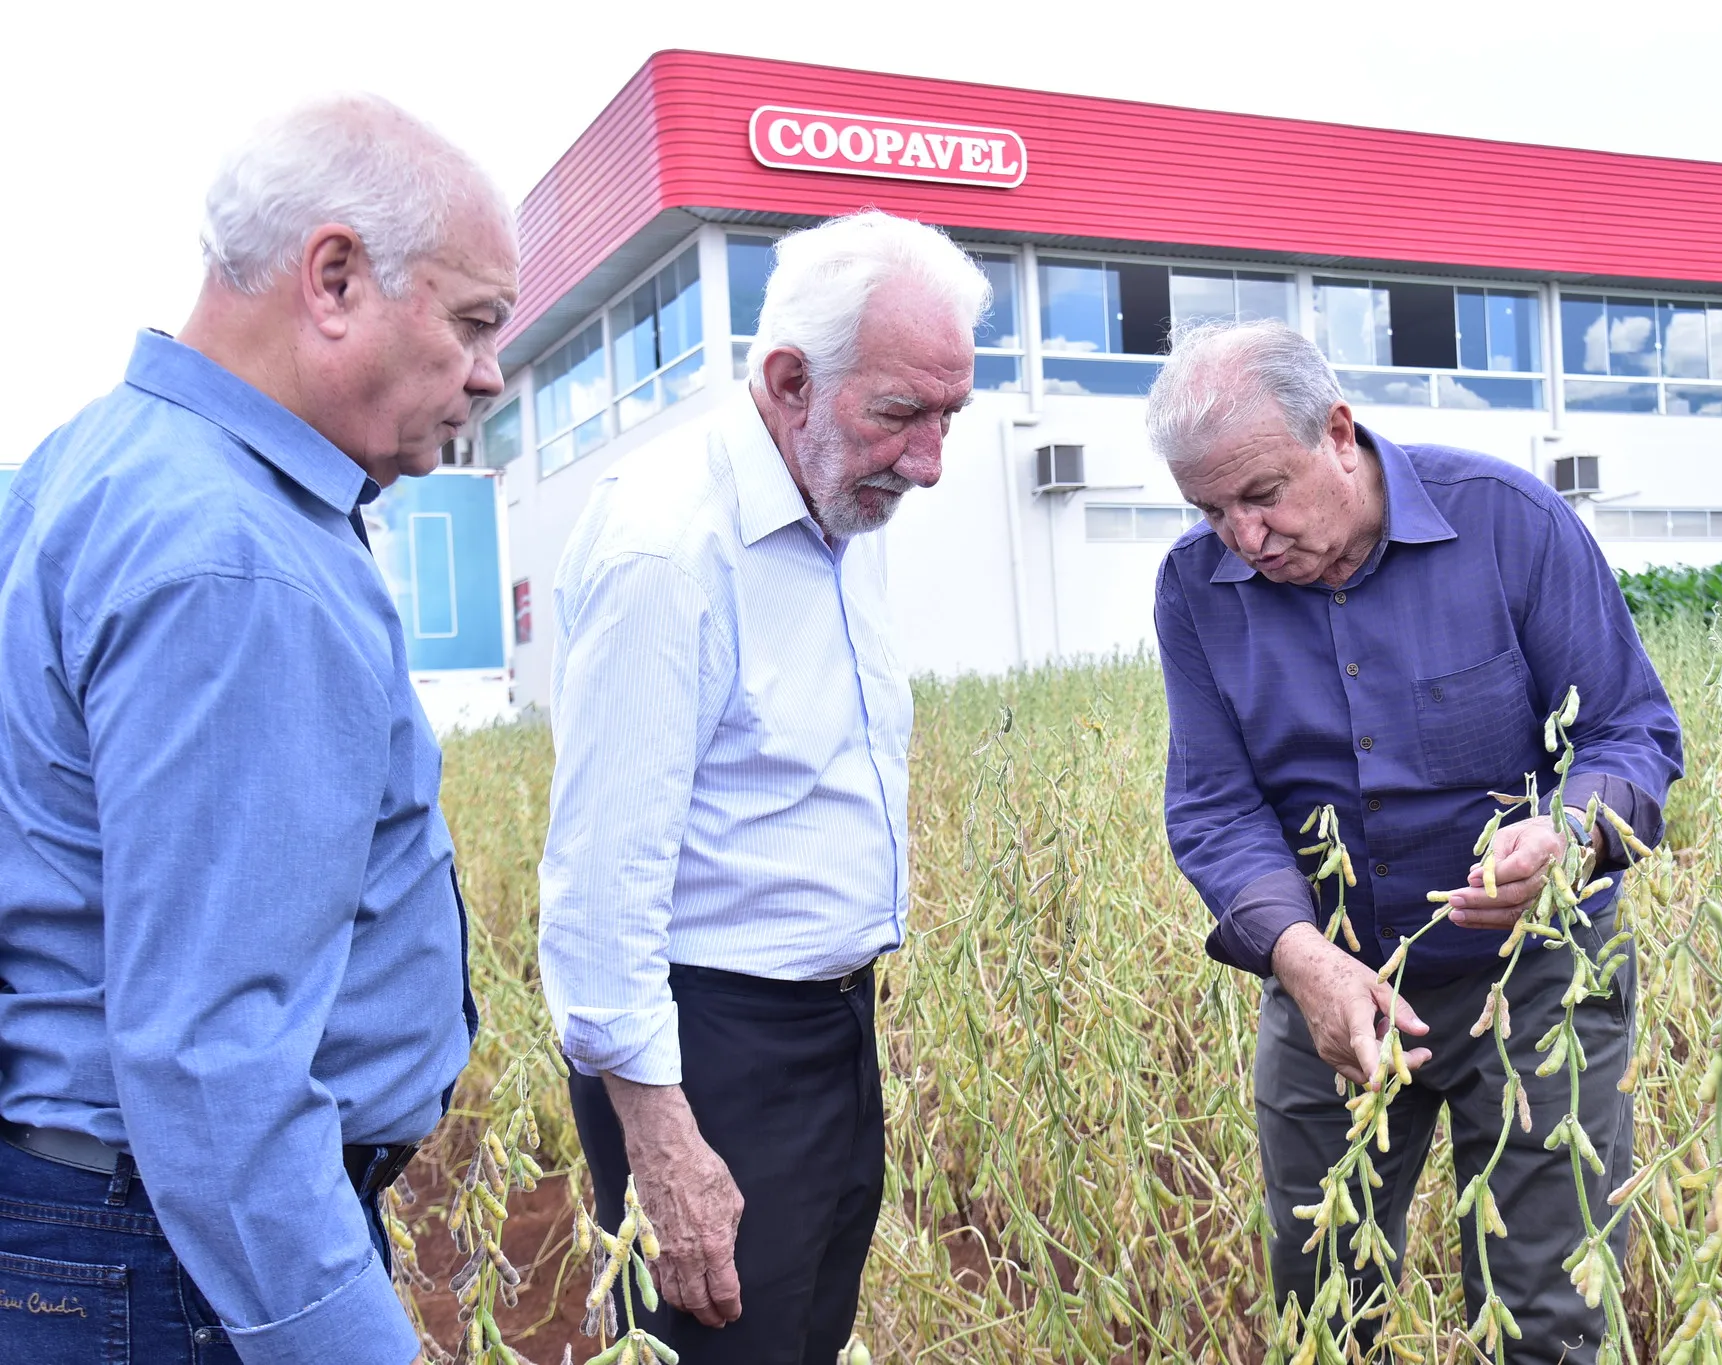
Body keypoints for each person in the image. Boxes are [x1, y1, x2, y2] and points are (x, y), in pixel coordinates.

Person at [0, 96, 514, 1364]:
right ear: (332, 277)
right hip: (179, 1262)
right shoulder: (237, 561)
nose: (491, 374)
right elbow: (214, 1062)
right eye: (472, 322)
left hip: (106, 1227)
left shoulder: (94, 466)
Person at [1147, 320, 1683, 1362]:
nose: (1242, 538)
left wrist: (1567, 841)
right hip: (1331, 984)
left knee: (1548, 1311)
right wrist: (1301, 959)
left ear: (1338, 432)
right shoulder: (1192, 590)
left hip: (1539, 979)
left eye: (1261, 495)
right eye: (1209, 510)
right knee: (1322, 1302)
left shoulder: (1511, 524)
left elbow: (1631, 732)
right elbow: (1214, 806)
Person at [538, 209, 986, 1364]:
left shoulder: (843, 506)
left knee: (803, 1338)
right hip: (709, 1055)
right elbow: (601, 876)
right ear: (788, 381)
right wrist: (662, 1136)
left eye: (949, 417)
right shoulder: (668, 545)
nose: (930, 462)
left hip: (830, 1024)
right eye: (901, 416)